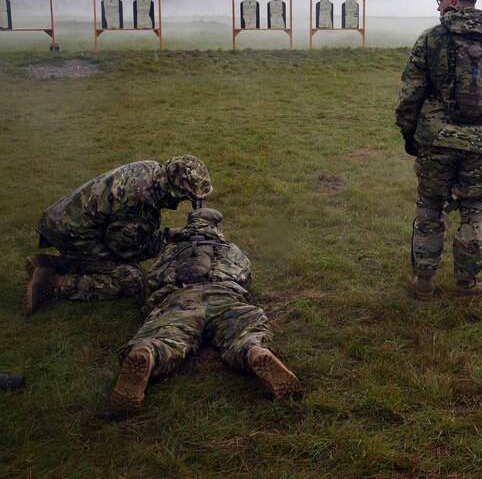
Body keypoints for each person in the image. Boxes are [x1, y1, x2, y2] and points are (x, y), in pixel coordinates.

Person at [395, 0, 482, 301]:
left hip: (435, 140)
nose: (437, 6)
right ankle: (466, 284)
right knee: (474, 212)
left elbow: (411, 92)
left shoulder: (431, 39)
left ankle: (423, 281)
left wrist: (409, 132)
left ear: (453, 0)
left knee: (429, 208)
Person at [107, 208, 301, 413]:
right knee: (244, 329)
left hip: (180, 299)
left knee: (166, 336)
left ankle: (148, 353)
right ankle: (253, 350)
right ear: (217, 227)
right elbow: (244, 276)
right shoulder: (230, 248)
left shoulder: (170, 250)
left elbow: (153, 281)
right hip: (224, 296)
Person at [24, 156, 213, 314]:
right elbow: (126, 250)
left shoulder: (152, 169)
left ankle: (51, 264)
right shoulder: (142, 200)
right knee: (132, 279)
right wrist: (172, 237)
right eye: (185, 197)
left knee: (113, 263)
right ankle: (52, 282)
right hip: (75, 235)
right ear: (175, 190)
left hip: (64, 220)